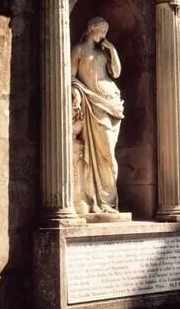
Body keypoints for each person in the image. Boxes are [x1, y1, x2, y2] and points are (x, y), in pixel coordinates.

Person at [71, 16, 124, 214]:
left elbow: (116, 73)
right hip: (94, 102)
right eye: (102, 31)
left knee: (110, 152)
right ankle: (102, 201)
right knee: (106, 153)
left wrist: (112, 50)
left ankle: (108, 202)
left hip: (113, 104)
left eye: (105, 32)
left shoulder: (104, 51)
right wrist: (76, 92)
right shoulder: (78, 50)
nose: (104, 35)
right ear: (92, 28)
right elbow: (71, 77)